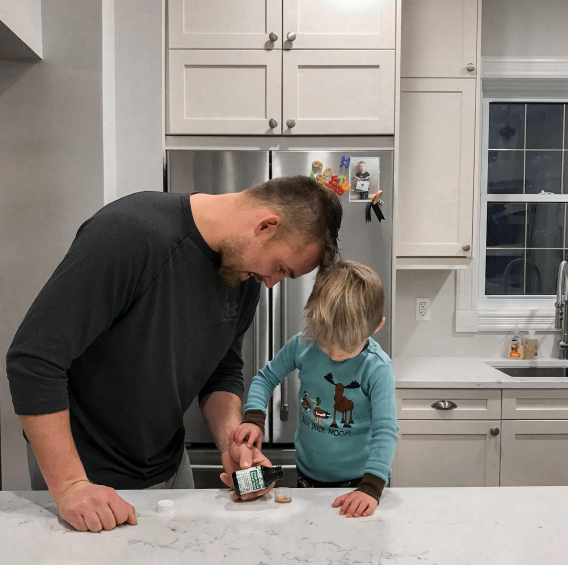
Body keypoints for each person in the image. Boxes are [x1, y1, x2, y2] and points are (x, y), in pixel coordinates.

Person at [6, 177, 343, 533]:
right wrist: (72, 487)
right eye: (280, 268)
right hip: (88, 477)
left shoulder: (243, 279)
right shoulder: (129, 233)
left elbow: (222, 371)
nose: (272, 282)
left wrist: (232, 444)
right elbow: (34, 359)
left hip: (169, 466)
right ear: (265, 226)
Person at [229, 261, 398, 518]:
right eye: (326, 343)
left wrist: (372, 487)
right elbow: (264, 378)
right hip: (306, 475)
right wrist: (254, 418)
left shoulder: (377, 368)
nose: (334, 354)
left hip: (360, 482)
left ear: (376, 327)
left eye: (347, 348)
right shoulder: (304, 344)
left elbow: (385, 431)